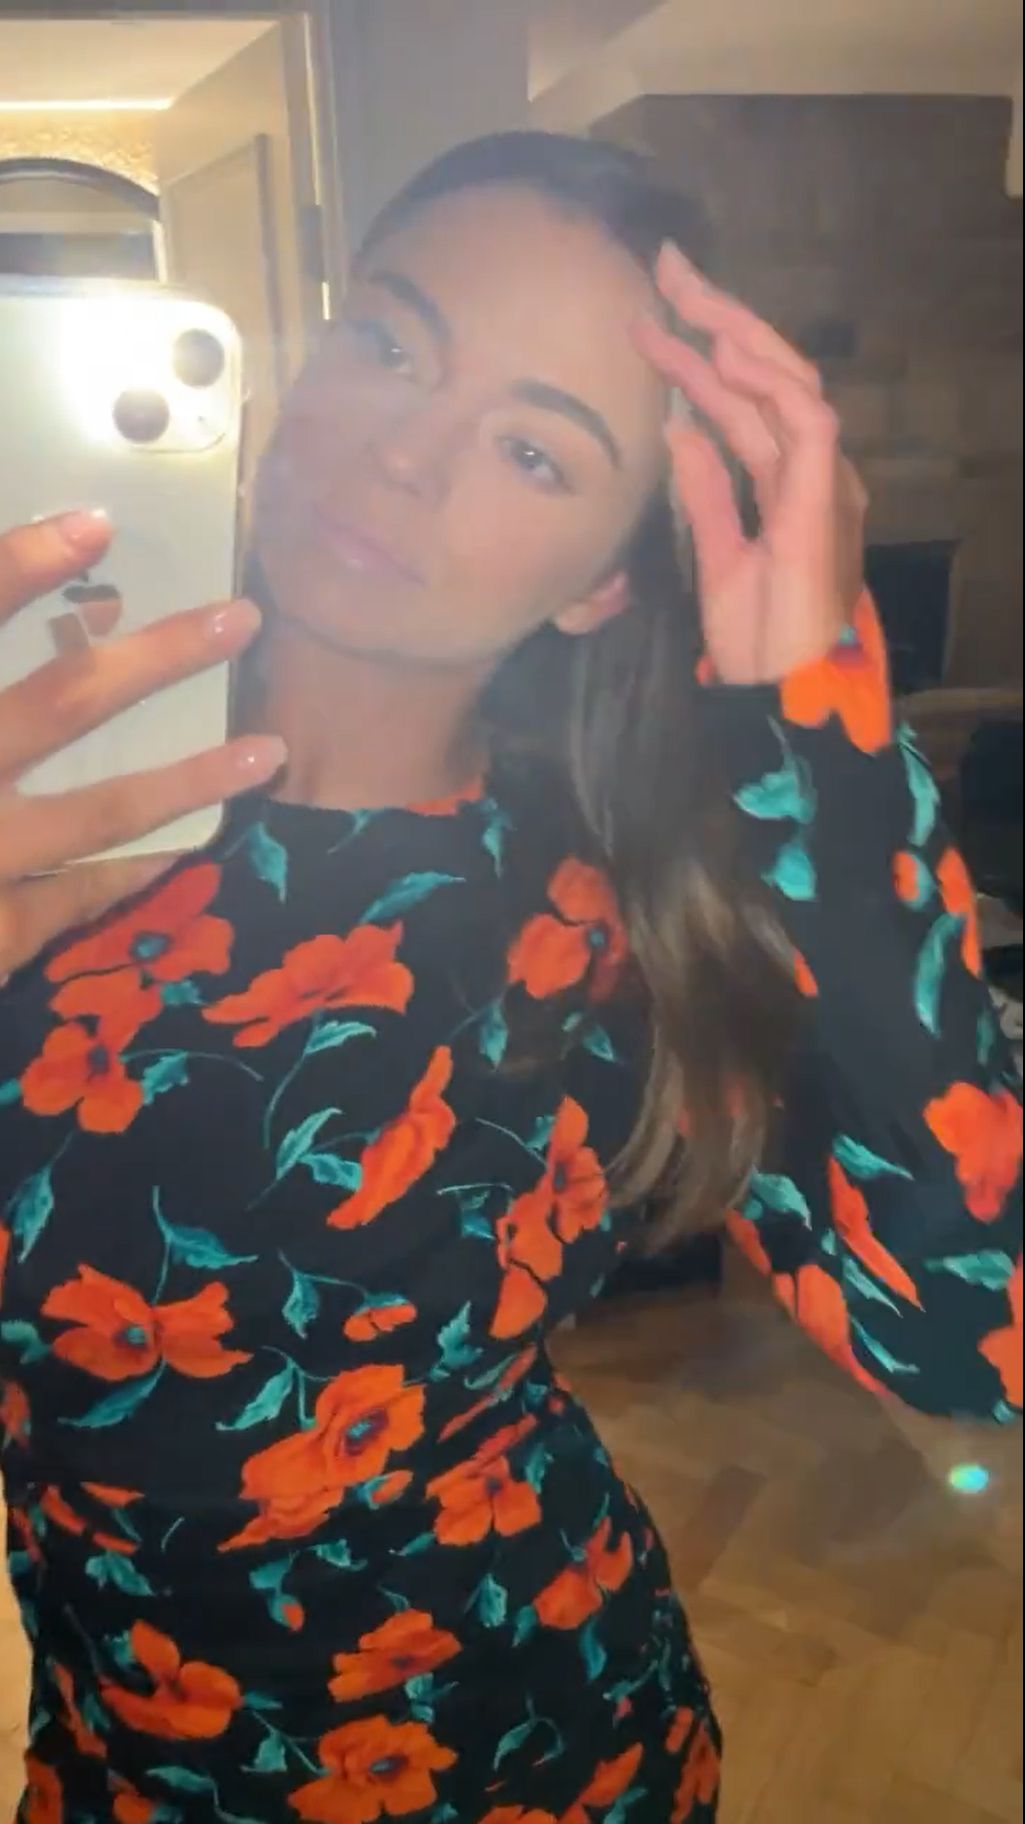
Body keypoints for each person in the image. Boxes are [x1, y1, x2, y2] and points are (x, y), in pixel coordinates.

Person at [0, 133, 1021, 1824]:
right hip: (119, 1759)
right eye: (391, 343)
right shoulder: (34, 811)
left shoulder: (619, 903)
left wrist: (819, 721)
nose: (402, 453)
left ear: (605, 578)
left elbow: (972, 1330)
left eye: (535, 450)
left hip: (536, 1754)